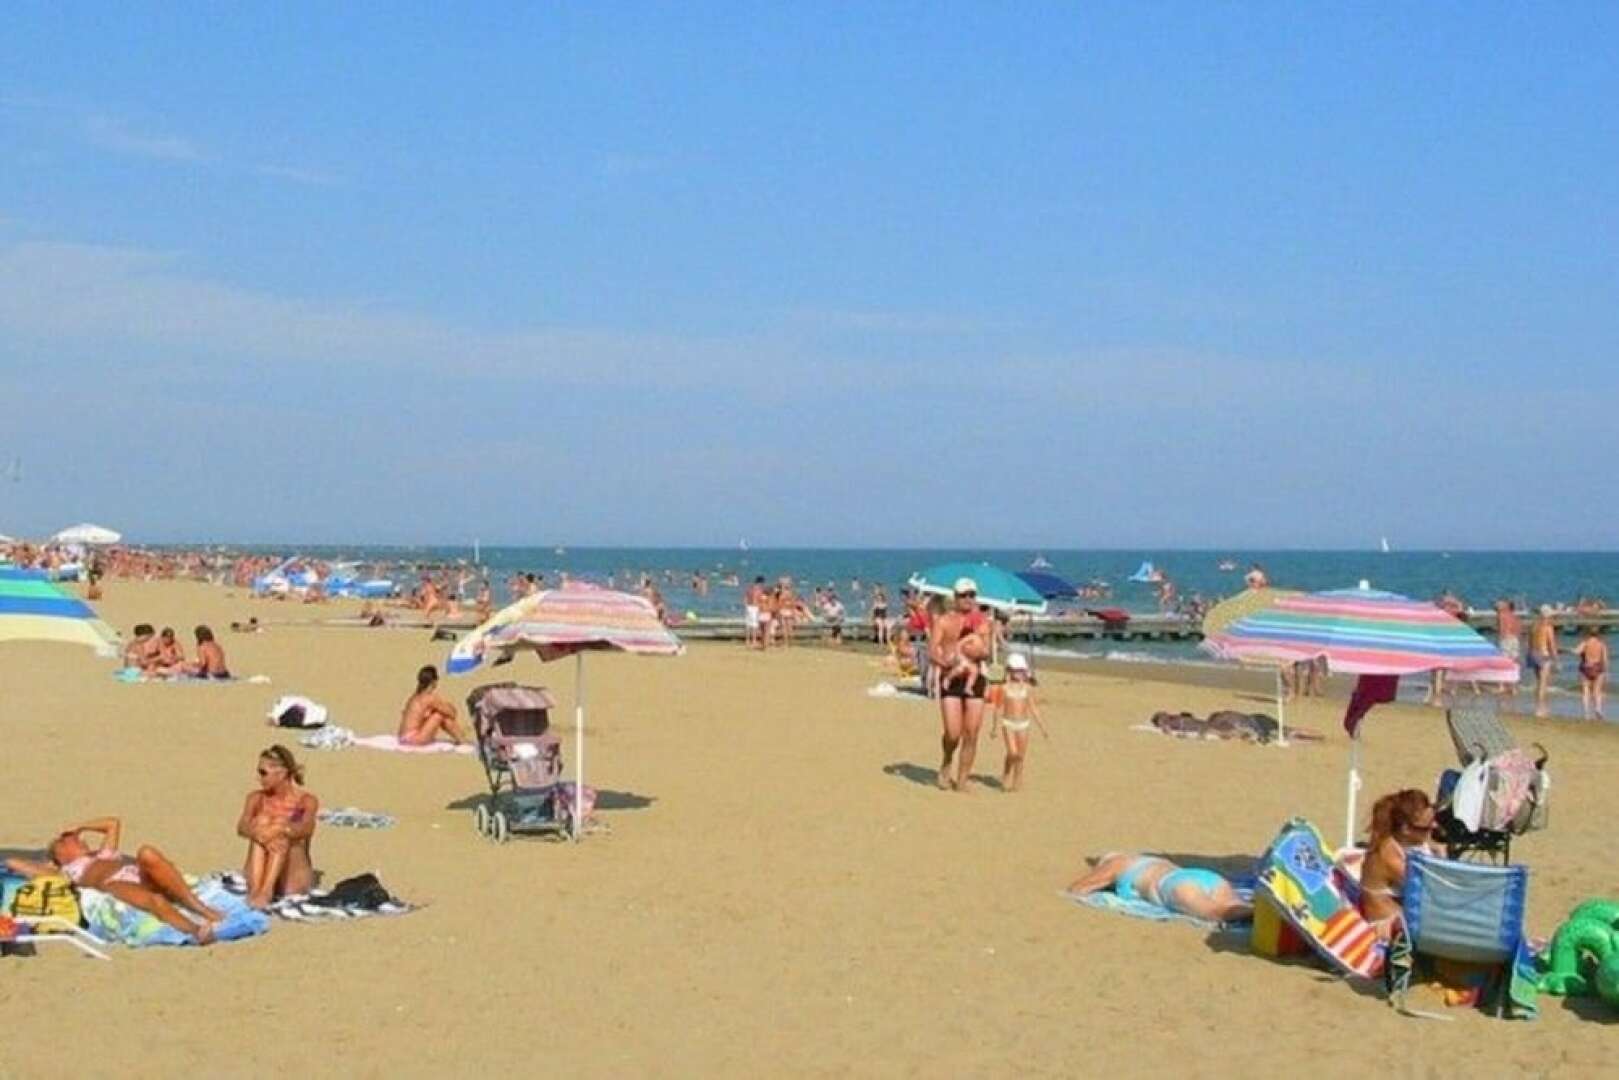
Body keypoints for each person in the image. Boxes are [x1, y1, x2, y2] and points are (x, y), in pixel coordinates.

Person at [4, 817, 224, 943]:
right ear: (59, 853)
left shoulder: (103, 854)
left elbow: (113, 823)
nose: (79, 840)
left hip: (140, 874)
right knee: (155, 901)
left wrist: (81, 826)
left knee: (147, 853)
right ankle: (196, 931)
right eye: (68, 840)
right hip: (114, 885)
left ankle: (202, 910)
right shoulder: (65, 872)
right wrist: (49, 866)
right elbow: (13, 862)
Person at [237, 745, 319, 908]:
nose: (259, 778)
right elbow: (242, 826)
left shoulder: (304, 801)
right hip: (260, 864)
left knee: (281, 827)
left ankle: (266, 891)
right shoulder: (256, 798)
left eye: (263, 773)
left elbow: (306, 828)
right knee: (261, 823)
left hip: (292, 873)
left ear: (282, 773)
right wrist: (262, 835)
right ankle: (258, 890)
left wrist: (281, 829)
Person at [928, 578, 991, 792]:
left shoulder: (981, 621)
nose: (968, 599)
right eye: (964, 595)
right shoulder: (944, 620)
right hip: (951, 677)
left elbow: (986, 651)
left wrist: (979, 651)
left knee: (972, 732)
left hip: (975, 677)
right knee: (953, 732)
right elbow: (932, 650)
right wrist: (944, 661)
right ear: (955, 597)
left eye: (972, 595)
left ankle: (963, 779)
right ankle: (947, 760)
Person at [1067, 853, 1251, 923]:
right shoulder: (1152, 860)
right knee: (1236, 906)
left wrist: (1103, 881)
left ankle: (1252, 914)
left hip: (1173, 885)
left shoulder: (1118, 863)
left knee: (1215, 913)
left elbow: (1078, 889)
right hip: (1204, 877)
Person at [1359, 789, 1438, 937]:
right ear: (1406, 829)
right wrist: (1442, 856)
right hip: (1386, 925)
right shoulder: (1388, 855)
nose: (1434, 828)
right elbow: (1428, 889)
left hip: (1403, 915)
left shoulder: (1403, 843)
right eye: (1426, 828)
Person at [988, 653, 1048, 792]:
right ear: (1009, 671)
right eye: (1016, 670)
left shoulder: (1027, 688)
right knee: (1012, 753)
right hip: (1008, 723)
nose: (1019, 673)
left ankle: (1017, 779)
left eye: (1021, 671)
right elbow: (998, 708)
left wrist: (1042, 728)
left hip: (1023, 724)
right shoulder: (1004, 688)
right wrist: (994, 728)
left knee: (1020, 755)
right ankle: (1006, 772)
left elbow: (1033, 708)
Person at [399, 665, 467, 745]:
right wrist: (448, 706)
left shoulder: (415, 696)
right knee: (439, 715)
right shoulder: (429, 698)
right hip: (413, 739)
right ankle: (461, 738)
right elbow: (452, 713)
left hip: (403, 737)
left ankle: (460, 736)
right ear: (433, 682)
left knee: (437, 713)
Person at [1573, 626, 1608, 721]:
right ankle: (1598, 709)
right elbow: (1604, 659)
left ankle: (1586, 713)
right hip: (1597, 667)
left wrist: (1564, 650)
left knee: (1585, 691)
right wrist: (1606, 672)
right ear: (1598, 634)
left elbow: (1576, 652)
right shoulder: (1601, 644)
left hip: (1585, 667)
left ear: (1588, 634)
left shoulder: (1585, 643)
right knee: (1597, 691)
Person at [1530, 605, 1559, 719]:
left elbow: (1529, 642)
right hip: (1543, 654)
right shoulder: (1548, 627)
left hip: (1533, 654)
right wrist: (1557, 660)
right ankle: (1540, 709)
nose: (1552, 618)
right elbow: (1552, 645)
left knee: (1538, 682)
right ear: (1547, 616)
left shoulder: (1534, 626)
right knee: (1543, 683)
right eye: (1551, 616)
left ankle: (1540, 707)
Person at [1494, 599, 1521, 700]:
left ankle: (1502, 686)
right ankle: (1513, 687)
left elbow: (1502, 629)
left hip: (1506, 639)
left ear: (1506, 606)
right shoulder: (1514, 616)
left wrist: (1499, 640)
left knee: (1502, 664)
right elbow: (1518, 629)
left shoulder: (1501, 615)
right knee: (1513, 664)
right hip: (1514, 639)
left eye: (1501, 605)